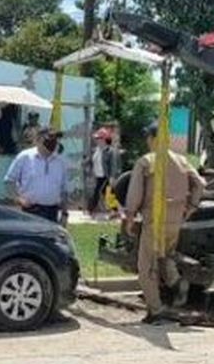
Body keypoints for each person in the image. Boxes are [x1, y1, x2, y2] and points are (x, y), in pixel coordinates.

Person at [123, 125, 205, 324]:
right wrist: (191, 206)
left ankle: (156, 309)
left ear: (152, 138)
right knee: (165, 256)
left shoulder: (146, 162)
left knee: (146, 267)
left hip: (154, 220)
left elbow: (134, 193)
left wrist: (130, 217)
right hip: (175, 220)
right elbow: (201, 184)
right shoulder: (182, 161)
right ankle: (176, 281)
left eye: (148, 138)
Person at [5, 128, 70, 223]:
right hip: (31, 210)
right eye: (49, 141)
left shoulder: (60, 162)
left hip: (52, 211)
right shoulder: (25, 157)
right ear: (38, 140)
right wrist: (19, 199)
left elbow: (64, 190)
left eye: (55, 141)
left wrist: (64, 214)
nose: (52, 145)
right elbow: (9, 181)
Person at [84, 127, 120, 218]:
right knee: (105, 193)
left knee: (100, 192)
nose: (97, 140)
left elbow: (113, 164)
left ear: (104, 139)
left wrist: (112, 177)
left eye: (99, 138)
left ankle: (91, 210)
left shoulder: (110, 151)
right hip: (98, 175)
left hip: (106, 176)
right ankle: (114, 210)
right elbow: (92, 160)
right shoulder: (96, 150)